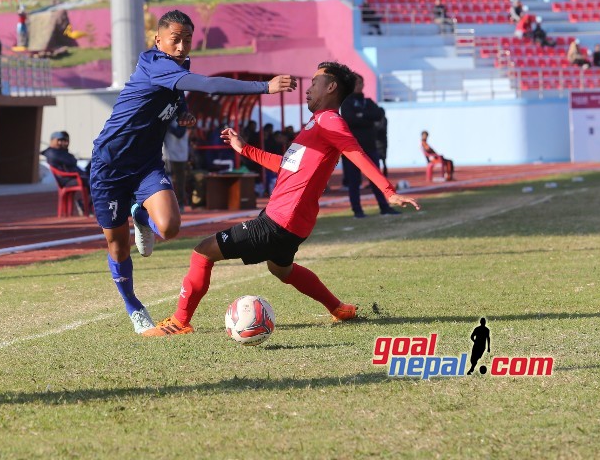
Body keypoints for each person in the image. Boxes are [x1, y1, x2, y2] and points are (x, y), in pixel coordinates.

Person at [142, 62, 419, 337]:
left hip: (280, 221)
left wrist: (388, 191)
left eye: (314, 83)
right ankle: (339, 309)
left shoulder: (330, 121)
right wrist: (244, 148)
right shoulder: (317, 123)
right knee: (281, 269)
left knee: (203, 252)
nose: (308, 89)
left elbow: (355, 152)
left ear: (331, 87)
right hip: (292, 223)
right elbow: (287, 165)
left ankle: (179, 322)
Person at [90, 9, 298, 334]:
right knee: (117, 245)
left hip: (146, 164)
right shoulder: (156, 64)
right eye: (175, 39)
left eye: (187, 40)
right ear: (158, 40)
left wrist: (183, 112)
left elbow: (178, 93)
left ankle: (140, 215)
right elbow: (207, 83)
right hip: (110, 165)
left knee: (171, 228)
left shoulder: (178, 65)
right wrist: (264, 87)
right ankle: (133, 306)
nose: (182, 46)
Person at [340, 75, 400, 218]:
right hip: (352, 149)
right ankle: (357, 211)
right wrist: (367, 119)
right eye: (356, 83)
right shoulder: (346, 102)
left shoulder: (368, 102)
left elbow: (379, 113)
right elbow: (350, 119)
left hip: (370, 146)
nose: (359, 85)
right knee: (354, 182)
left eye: (361, 82)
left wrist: (362, 116)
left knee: (376, 179)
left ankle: (384, 207)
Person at [42, 130, 91, 215]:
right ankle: (84, 204)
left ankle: (85, 203)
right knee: (96, 182)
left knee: (95, 171)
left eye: (63, 141)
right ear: (52, 140)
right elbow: (72, 161)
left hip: (76, 176)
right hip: (68, 179)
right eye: (59, 140)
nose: (61, 143)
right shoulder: (52, 153)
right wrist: (66, 152)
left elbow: (71, 160)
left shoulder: (60, 151)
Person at [163, 119, 190, 211]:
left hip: (180, 155)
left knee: (180, 181)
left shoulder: (181, 119)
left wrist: (166, 125)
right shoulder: (166, 121)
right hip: (167, 155)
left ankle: (181, 204)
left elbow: (179, 133)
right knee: (167, 179)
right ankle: (168, 204)